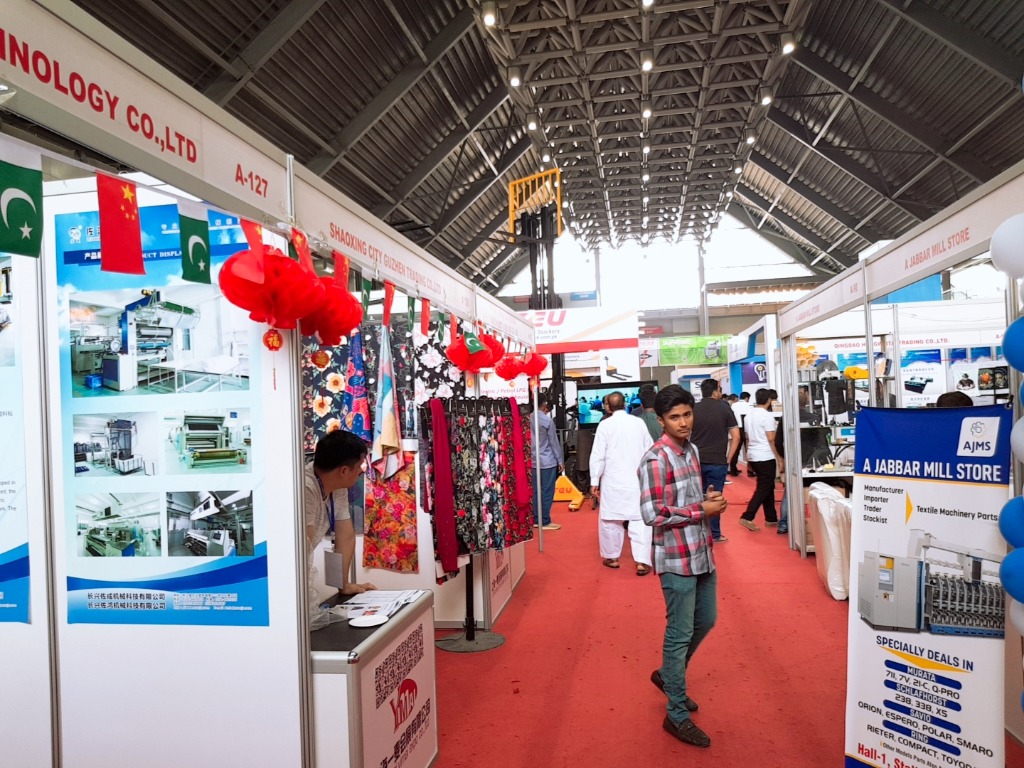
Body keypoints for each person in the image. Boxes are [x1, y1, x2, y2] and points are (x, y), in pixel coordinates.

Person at [639, 384, 727, 748]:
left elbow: (685, 499)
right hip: (676, 559)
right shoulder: (655, 459)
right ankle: (676, 714)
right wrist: (699, 511)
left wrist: (705, 499)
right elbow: (651, 514)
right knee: (678, 635)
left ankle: (668, 677)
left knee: (707, 620)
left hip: (701, 551)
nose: (683, 422)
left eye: (687, 414)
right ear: (660, 421)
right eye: (674, 417)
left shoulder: (690, 450)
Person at [305, 430, 376, 596]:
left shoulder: (337, 485)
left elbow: (345, 535)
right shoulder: (306, 489)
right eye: (359, 466)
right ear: (344, 471)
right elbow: (301, 551)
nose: (361, 471)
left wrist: (344, 584)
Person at [591, 392, 654, 574]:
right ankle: (641, 562)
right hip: (636, 479)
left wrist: (594, 480)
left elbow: (598, 456)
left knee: (609, 519)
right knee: (639, 519)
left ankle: (612, 558)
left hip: (612, 480)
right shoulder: (638, 423)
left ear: (607, 407)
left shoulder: (605, 425)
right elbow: (649, 450)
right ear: (625, 404)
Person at [690, 379, 739, 543]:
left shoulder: (693, 409)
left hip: (696, 461)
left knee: (697, 497)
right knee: (715, 498)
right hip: (718, 462)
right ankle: (715, 534)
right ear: (715, 391)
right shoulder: (725, 408)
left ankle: (697, 534)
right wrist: (729, 459)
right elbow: (736, 436)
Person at [738, 389, 782, 531]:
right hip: (765, 455)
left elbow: (747, 437)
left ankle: (771, 518)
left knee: (767, 486)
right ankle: (747, 516)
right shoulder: (766, 416)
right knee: (764, 487)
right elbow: (771, 439)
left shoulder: (748, 416)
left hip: (753, 454)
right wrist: (780, 458)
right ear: (769, 400)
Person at [533, 394, 564, 530]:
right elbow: (553, 442)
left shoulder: (526, 418)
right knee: (547, 491)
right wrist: (560, 460)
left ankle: (535, 518)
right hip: (547, 460)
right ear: (545, 404)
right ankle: (544, 520)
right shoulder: (547, 421)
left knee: (535, 491)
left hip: (532, 460)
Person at [729, 391, 753, 476]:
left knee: (735, 450)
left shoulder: (734, 405)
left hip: (736, 428)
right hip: (747, 430)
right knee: (749, 450)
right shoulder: (749, 406)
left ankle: (733, 470)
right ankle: (750, 470)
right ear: (747, 398)